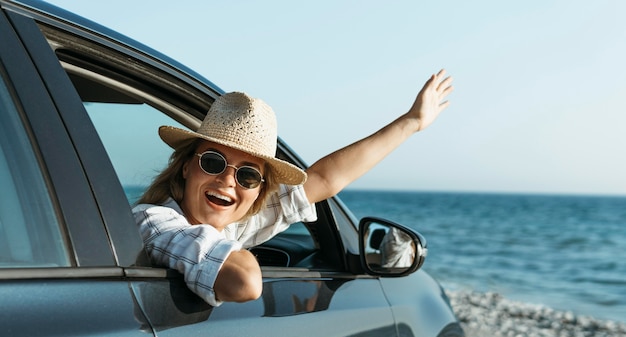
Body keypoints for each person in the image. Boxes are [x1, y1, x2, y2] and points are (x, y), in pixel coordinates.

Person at [133, 69, 454, 306]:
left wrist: (411, 122)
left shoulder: (230, 224)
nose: (228, 180)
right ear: (187, 165)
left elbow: (323, 180)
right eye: (214, 162)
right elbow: (245, 281)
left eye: (247, 176)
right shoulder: (155, 223)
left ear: (258, 190)